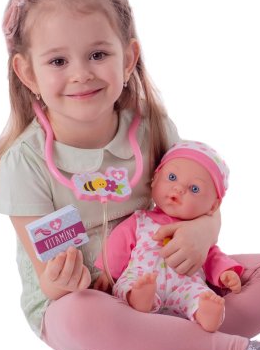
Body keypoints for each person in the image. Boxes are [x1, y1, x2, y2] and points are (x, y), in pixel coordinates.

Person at [0, 0, 260, 350]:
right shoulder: (25, 163)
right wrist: (66, 281)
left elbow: (199, 194)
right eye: (58, 61)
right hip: (92, 302)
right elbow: (52, 281)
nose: (81, 73)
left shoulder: (150, 128)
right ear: (27, 73)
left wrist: (205, 229)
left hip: (167, 281)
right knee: (80, 315)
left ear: (128, 58)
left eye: (98, 55)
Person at [95, 141, 244, 333]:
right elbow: (119, 244)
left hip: (185, 286)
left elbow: (213, 257)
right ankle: (141, 298)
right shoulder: (140, 220)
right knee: (128, 284)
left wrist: (225, 274)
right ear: (155, 178)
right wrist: (108, 272)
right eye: (172, 177)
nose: (178, 189)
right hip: (143, 276)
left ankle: (206, 313)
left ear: (213, 206)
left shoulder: (197, 236)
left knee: (201, 295)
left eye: (195, 189)